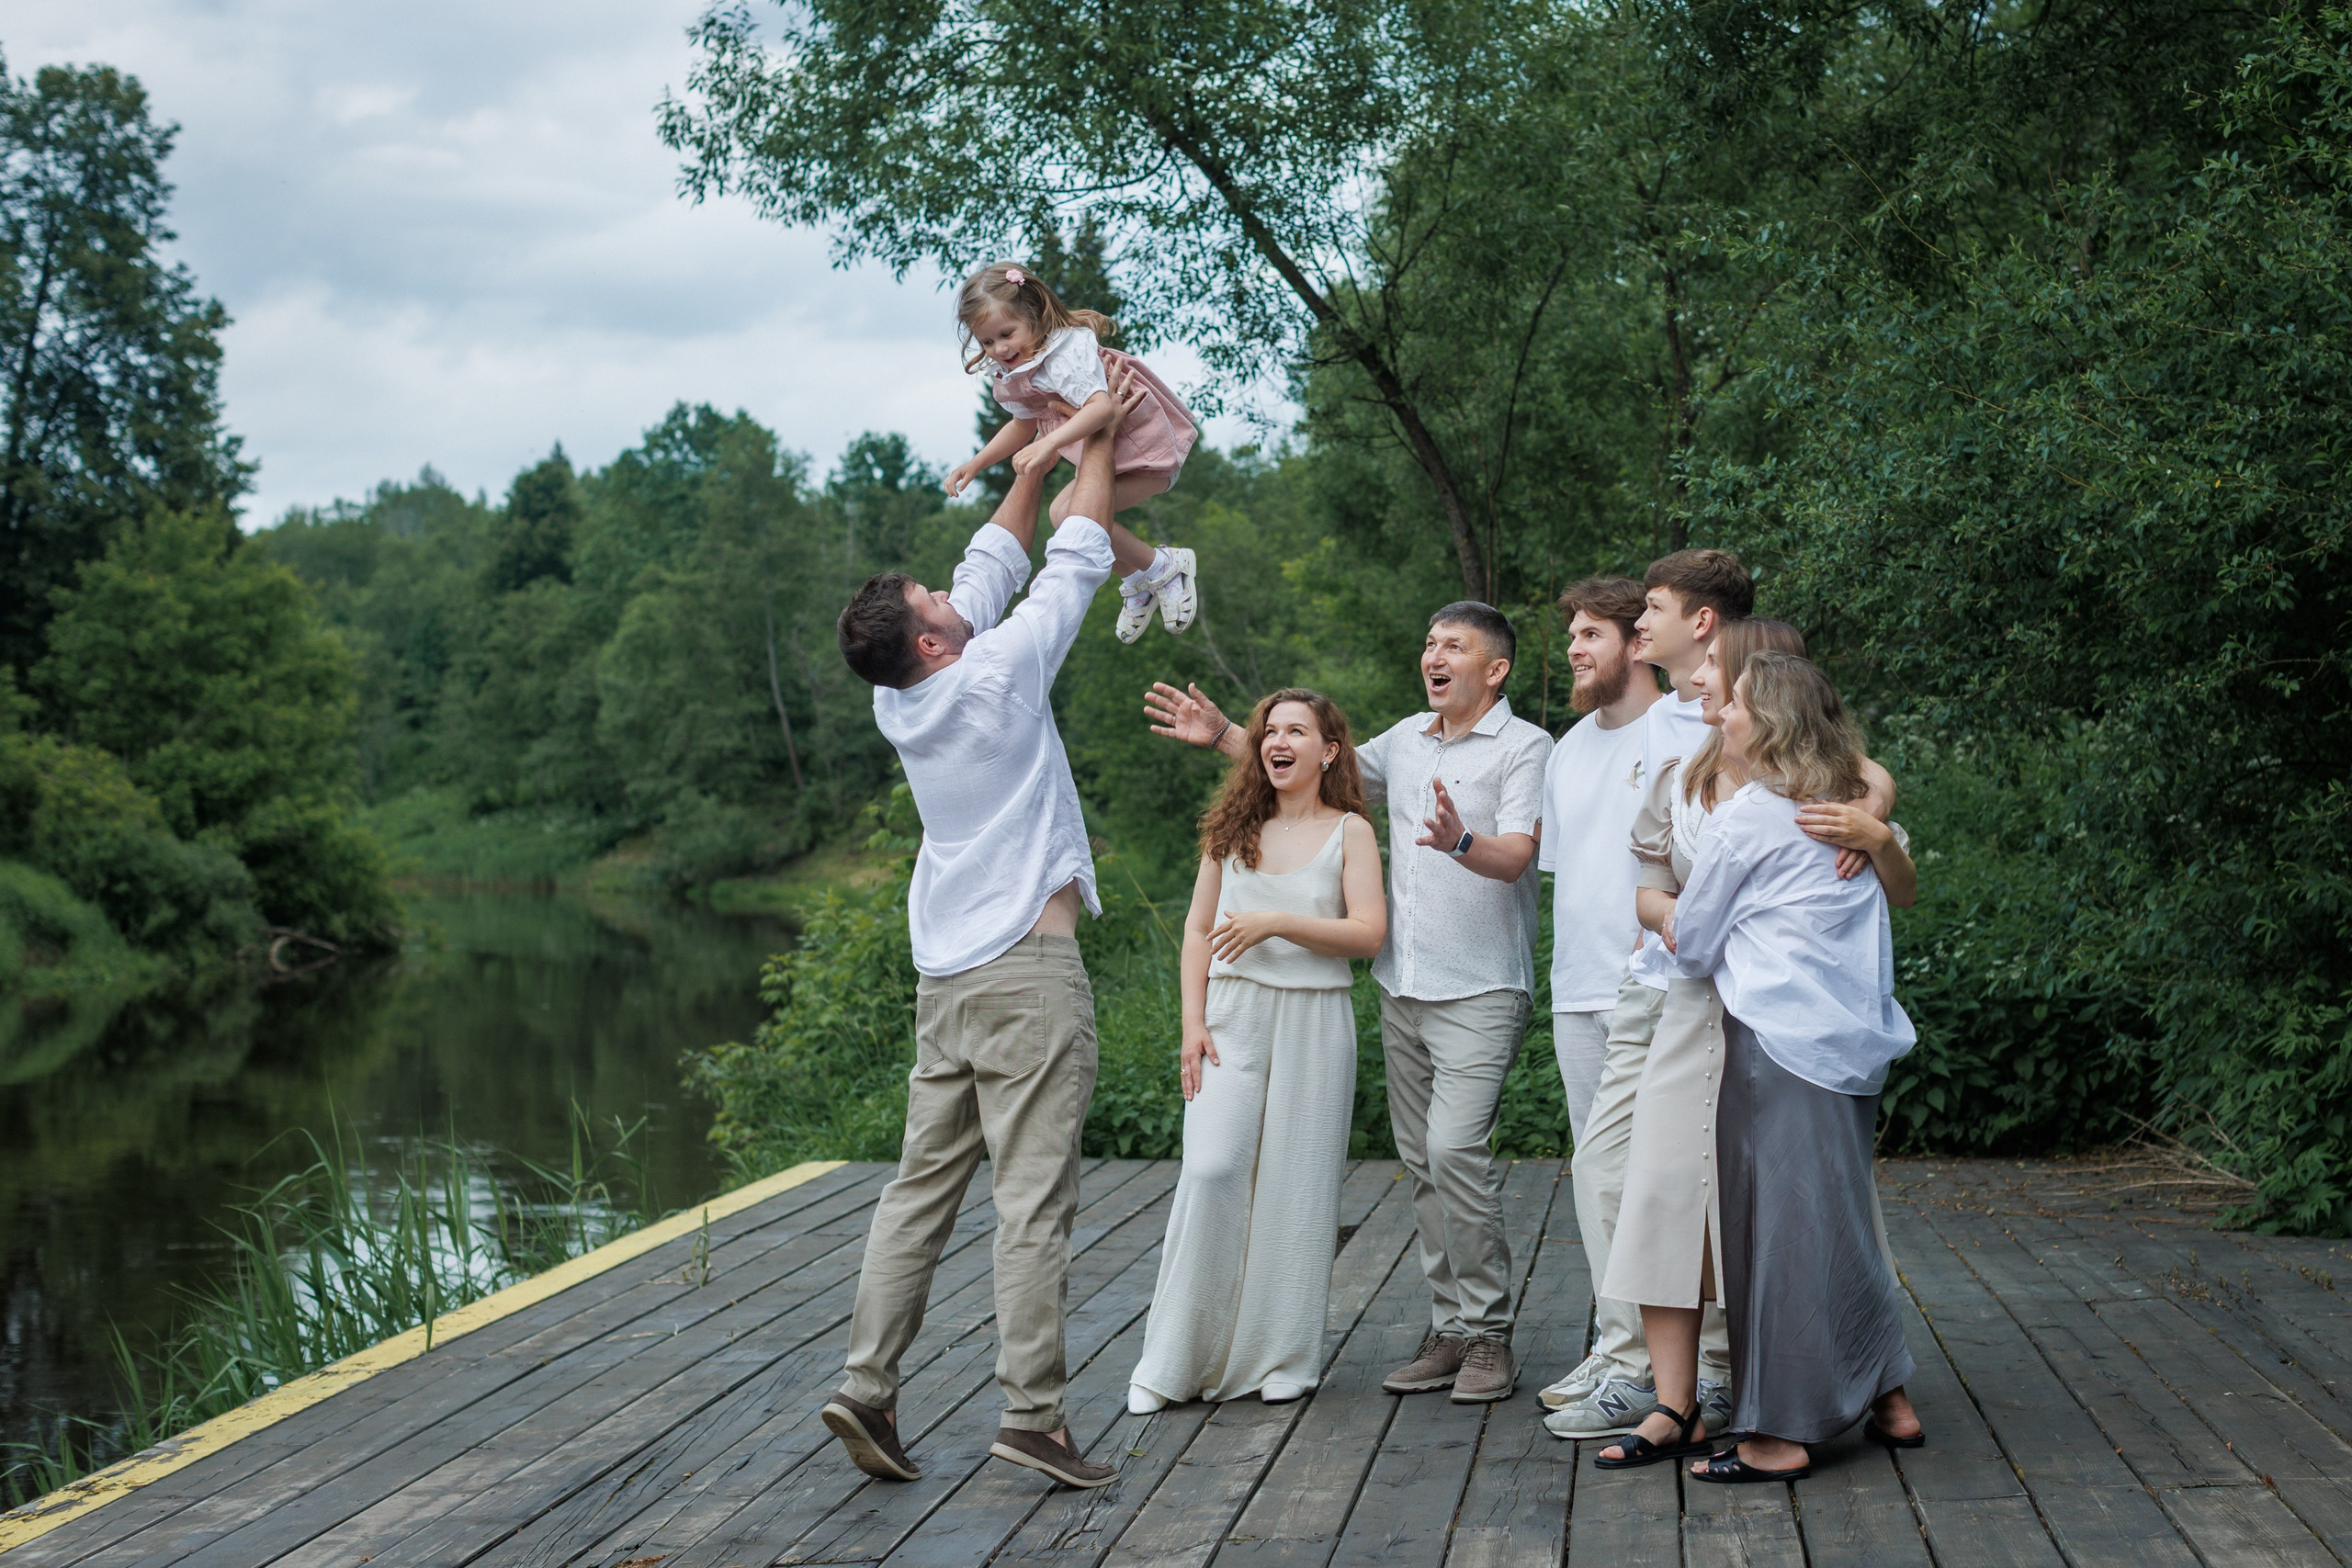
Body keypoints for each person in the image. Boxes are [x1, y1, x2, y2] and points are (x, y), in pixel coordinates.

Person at [818, 368, 1148, 1494]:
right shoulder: (998, 673)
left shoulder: (897, 696)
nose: (950, 594)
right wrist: (1096, 432)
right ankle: (1034, 1418)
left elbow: (992, 565)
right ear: (936, 642)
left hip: (946, 980)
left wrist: (1038, 455)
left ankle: (866, 1387)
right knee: (1031, 1205)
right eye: (934, 603)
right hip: (1027, 974)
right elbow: (1077, 558)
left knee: (917, 1191)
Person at [1144, 602, 1551, 1404]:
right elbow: (1311, 773)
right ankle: (1452, 1326)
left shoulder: (1525, 746)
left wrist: (1461, 840)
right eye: (1428, 642)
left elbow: (1519, 857)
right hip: (1403, 987)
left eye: (1453, 646)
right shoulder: (1404, 742)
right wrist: (1230, 730)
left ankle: (1491, 1335)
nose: (1433, 655)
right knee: (1422, 1163)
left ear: (1494, 669)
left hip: (1483, 984)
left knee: (1457, 1151)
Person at [1590, 621, 1858, 1468]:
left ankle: (1801, 1392)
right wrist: (1682, 919)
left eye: (1718, 673)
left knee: (1781, 1212)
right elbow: (1651, 894)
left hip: (1773, 1027)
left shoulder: (1830, 787)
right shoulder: (1683, 778)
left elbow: (1866, 826)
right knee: (1665, 1200)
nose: (1702, 683)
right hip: (1691, 1009)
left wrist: (1877, 824)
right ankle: (1674, 1406)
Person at [1668, 652, 1926, 1483]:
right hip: (1852, 1046)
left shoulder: (1747, 816)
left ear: (1769, 722)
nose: (1721, 715)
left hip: (1775, 1046)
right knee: (1842, 1218)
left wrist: (1673, 931)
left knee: (1774, 1232)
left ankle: (1779, 1432)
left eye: (1734, 703)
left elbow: (1699, 940)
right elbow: (1902, 893)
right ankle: (1886, 1391)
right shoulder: (1852, 807)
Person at [1126, 690, 1386, 1414]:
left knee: (1297, 1188)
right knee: (1211, 1170)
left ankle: (1285, 1356)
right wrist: (1190, 1019)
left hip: (1315, 1017)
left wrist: (1280, 921)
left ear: (1328, 751)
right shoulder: (1234, 824)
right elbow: (1195, 929)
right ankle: (1173, 1361)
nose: (1278, 740)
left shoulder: (1351, 832)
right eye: (1270, 730)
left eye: (1296, 730)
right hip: (1231, 1015)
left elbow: (1369, 934)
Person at [1544, 549, 1754, 1437]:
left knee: (1685, 1182)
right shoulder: (1634, 727)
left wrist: (1871, 823)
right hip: (1629, 980)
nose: (1632, 631)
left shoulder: (1731, 702)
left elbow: (1842, 763)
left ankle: (1706, 1369)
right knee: (1606, 1170)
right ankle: (1628, 1353)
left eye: (1643, 616)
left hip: (1706, 989)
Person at [945, 260, 1200, 644]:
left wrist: (1049, 443)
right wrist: (977, 463)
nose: (998, 349)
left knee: (1070, 515)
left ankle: (1165, 566)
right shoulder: (1022, 371)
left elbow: (1101, 408)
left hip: (1145, 452)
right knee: (1063, 516)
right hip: (1110, 460)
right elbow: (1023, 424)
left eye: (1006, 334)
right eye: (986, 342)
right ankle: (1138, 579)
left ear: (1033, 316)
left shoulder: (1065, 354)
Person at [1536, 577, 1661, 1144]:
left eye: (1591, 633)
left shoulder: (1685, 731)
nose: (1572, 649)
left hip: (1656, 985)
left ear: (1638, 644)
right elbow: (1571, 873)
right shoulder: (1567, 748)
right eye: (1572, 635)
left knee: (1662, 1166)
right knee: (1595, 1164)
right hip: (1576, 990)